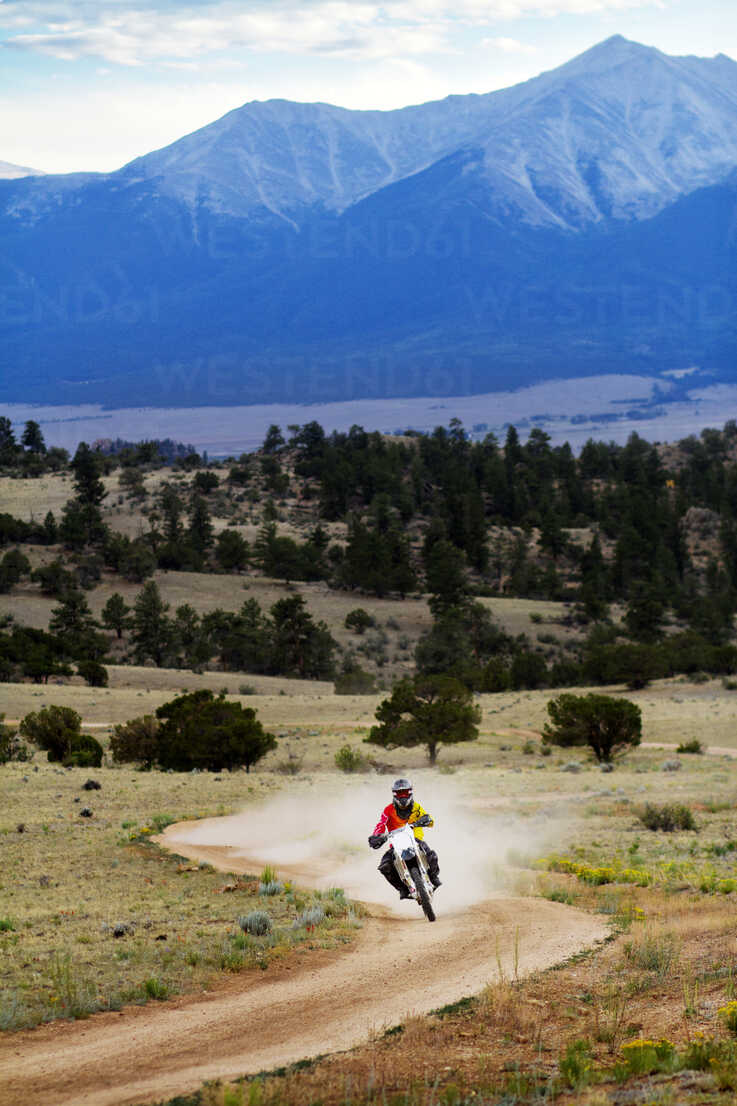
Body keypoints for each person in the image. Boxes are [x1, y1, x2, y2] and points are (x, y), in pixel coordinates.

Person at [368, 777, 441, 899]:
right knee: (385, 865)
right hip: (396, 844)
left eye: (405, 793)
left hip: (415, 839)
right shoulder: (388, 810)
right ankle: (402, 888)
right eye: (400, 793)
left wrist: (426, 820)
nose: (403, 796)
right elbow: (381, 824)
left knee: (431, 854)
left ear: (410, 793)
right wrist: (376, 836)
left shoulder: (416, 807)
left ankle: (434, 877)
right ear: (395, 794)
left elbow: (430, 820)